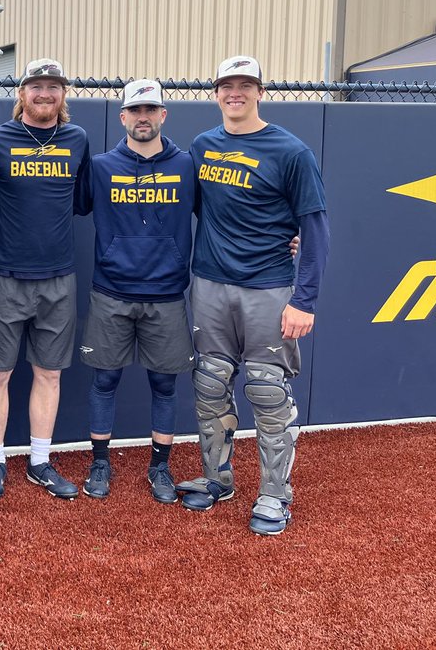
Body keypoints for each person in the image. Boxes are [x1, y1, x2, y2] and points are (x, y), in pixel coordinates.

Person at [176, 56, 329, 536]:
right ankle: (218, 479)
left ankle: (274, 494)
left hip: (268, 287)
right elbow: (196, 208)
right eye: (227, 85)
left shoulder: (291, 151)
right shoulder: (203, 146)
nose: (235, 93)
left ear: (260, 91)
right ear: (216, 92)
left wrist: (304, 300)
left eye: (245, 85)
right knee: (210, 382)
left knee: (266, 389)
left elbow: (316, 230)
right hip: (210, 284)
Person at [0, 58, 90, 502]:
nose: (45, 93)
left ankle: (40, 461)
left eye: (54, 86)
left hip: (58, 278)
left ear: (63, 95)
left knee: (50, 374)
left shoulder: (76, 139)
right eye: (36, 86)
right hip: (4, 275)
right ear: (21, 93)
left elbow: (80, 202)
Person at [76, 79, 196, 504]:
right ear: (123, 116)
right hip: (111, 290)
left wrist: (285, 238)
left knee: (165, 384)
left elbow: (231, 211)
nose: (143, 118)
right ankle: (100, 462)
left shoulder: (187, 166)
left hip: (166, 293)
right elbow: (60, 206)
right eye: (135, 111)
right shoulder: (101, 166)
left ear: (163, 115)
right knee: (104, 379)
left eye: (151, 110)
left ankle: (160, 466)